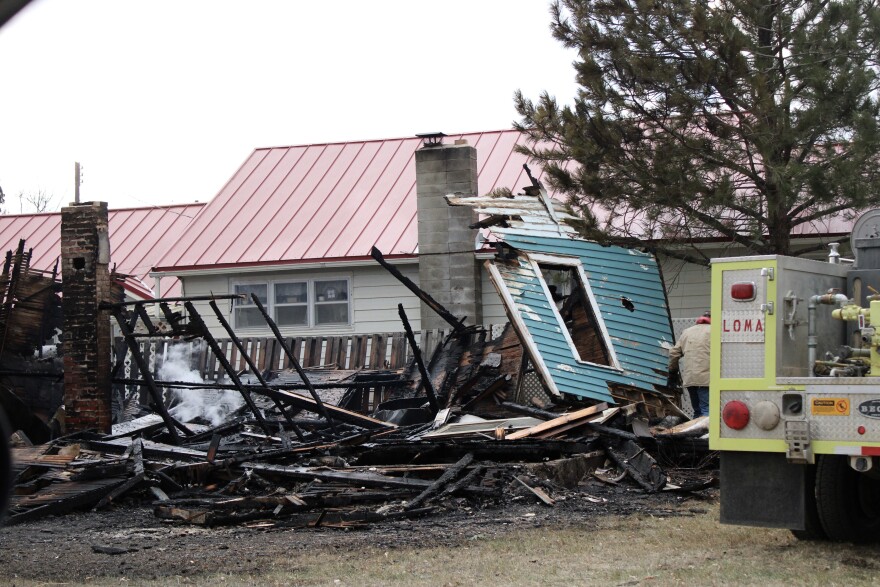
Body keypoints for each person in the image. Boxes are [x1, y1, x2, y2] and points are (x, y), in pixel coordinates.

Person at [668, 311, 711, 418]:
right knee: (707, 410)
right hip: (707, 379)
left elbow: (674, 353)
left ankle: (696, 434)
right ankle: (707, 434)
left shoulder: (687, 332)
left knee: (697, 411)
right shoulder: (715, 331)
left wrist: (672, 373)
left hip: (690, 379)